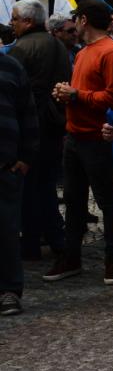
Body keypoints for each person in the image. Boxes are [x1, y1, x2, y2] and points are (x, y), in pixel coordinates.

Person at [44, 0, 113, 286]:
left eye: (76, 20)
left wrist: (76, 95)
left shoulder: (112, 52)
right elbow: (83, 92)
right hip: (75, 137)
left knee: (107, 202)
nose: (74, 25)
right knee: (74, 201)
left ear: (83, 20)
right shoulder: (83, 53)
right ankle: (71, 257)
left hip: (97, 140)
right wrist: (66, 93)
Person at [7, 0, 71, 262]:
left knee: (30, 187)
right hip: (56, 123)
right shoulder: (57, 43)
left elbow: (14, 90)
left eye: (15, 19)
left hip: (34, 126)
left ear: (28, 22)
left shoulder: (21, 49)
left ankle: (32, 243)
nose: (11, 23)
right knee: (45, 185)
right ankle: (56, 239)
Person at [0, 51, 39, 316]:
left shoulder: (11, 66)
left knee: (6, 231)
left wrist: (26, 157)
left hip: (5, 168)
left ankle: (9, 291)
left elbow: (29, 114)